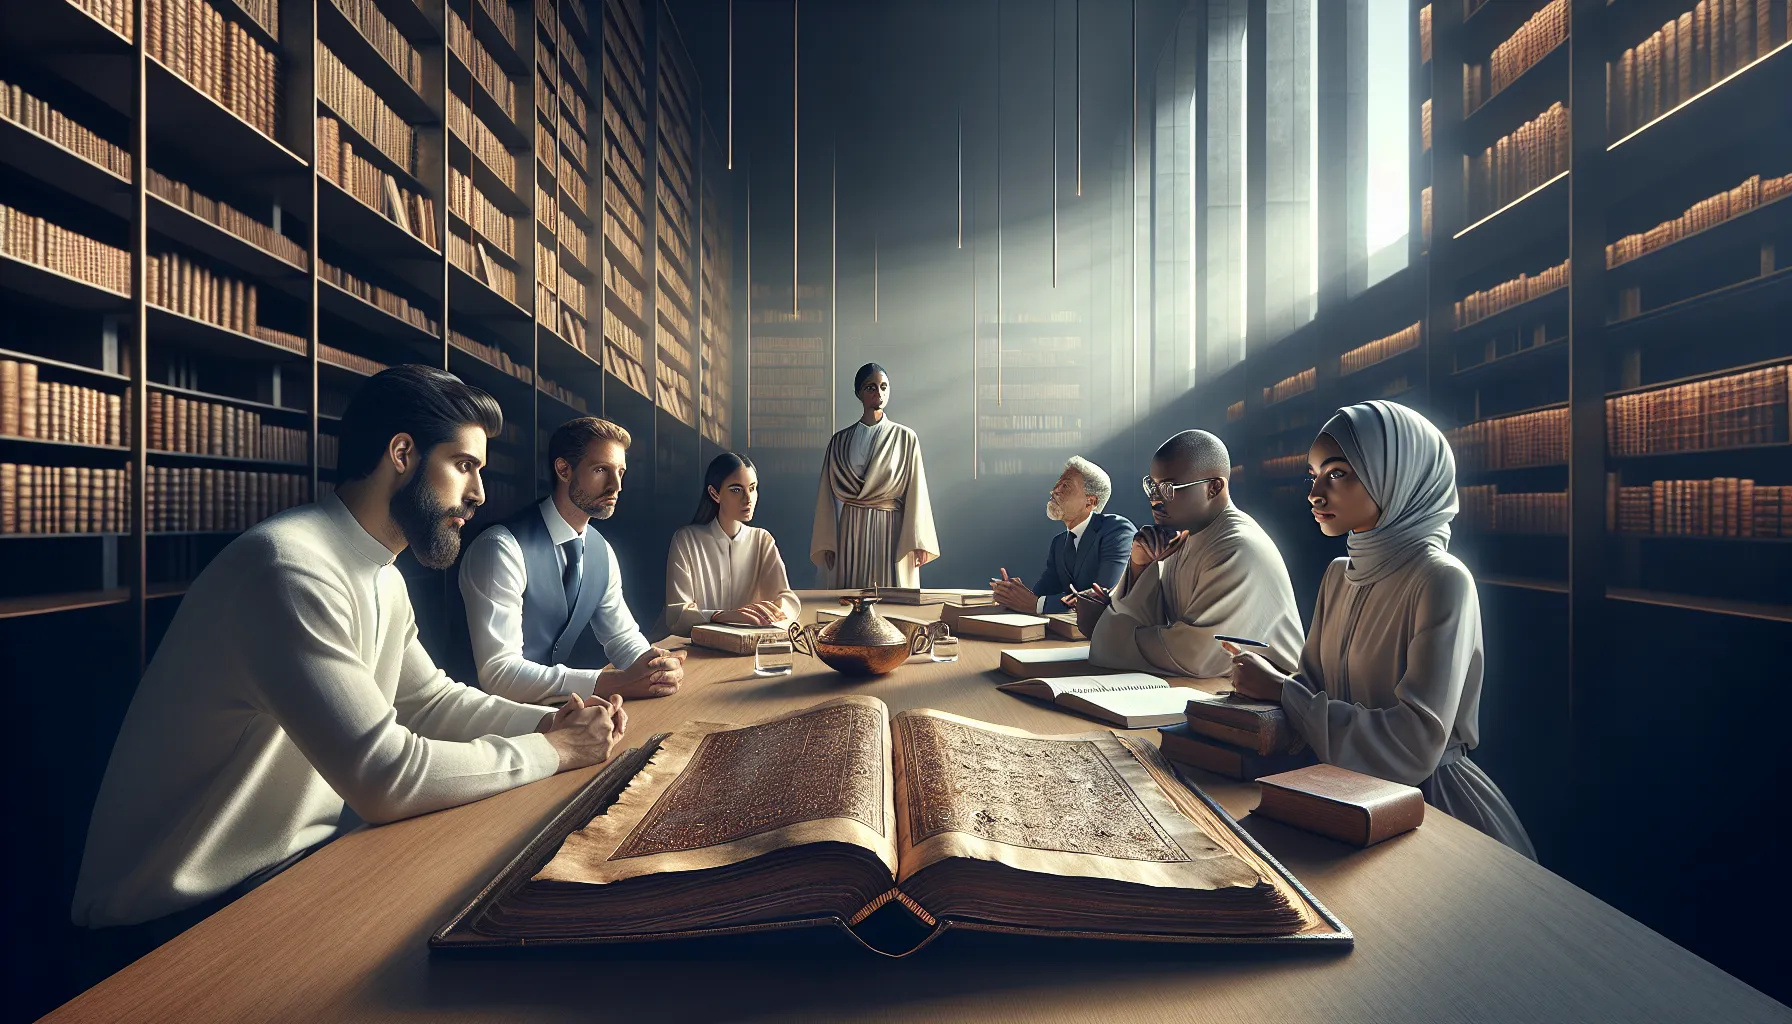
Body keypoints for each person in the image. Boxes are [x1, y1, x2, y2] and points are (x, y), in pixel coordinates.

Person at [72, 365, 628, 937]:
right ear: (403, 453)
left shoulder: (380, 572)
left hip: (287, 874)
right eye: (464, 466)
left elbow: (428, 702)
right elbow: (386, 776)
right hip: (170, 918)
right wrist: (555, 751)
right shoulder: (289, 566)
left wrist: (552, 721)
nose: (480, 494)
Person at [1224, 400, 1537, 859]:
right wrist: (1271, 687)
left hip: (1430, 806)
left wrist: (1282, 692)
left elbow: (1412, 746)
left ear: (1397, 474)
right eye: (1313, 476)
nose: (1315, 493)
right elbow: (1311, 689)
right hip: (1334, 788)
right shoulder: (1338, 574)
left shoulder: (1442, 579)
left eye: (1337, 474)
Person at [459, 417, 686, 703]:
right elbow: (499, 673)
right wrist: (607, 682)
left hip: (556, 712)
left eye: (620, 471)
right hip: (481, 722)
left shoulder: (602, 551)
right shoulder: (500, 548)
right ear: (564, 470)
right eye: (601, 469)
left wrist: (655, 667)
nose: (616, 485)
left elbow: (622, 637)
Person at [1080, 429, 1305, 679]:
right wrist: (1139, 564)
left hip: (1268, 703)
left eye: (1168, 488)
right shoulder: (1183, 537)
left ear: (1213, 488)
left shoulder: (1238, 548)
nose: (1155, 500)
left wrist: (1107, 631)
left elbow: (1196, 655)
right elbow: (1150, 623)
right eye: (1152, 487)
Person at [810, 362, 940, 588]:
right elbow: (826, 496)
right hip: (851, 528)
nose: (878, 393)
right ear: (858, 392)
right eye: (871, 387)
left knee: (890, 599)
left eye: (883, 386)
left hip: (891, 528)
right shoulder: (839, 441)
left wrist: (918, 540)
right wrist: (828, 542)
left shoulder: (905, 438)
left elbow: (916, 490)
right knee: (852, 600)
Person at [662, 453, 801, 635]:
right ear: (715, 493)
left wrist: (773, 611)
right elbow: (677, 615)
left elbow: (787, 598)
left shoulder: (762, 539)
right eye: (736, 490)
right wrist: (726, 616)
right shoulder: (686, 540)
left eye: (752, 488)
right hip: (698, 647)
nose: (748, 498)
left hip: (749, 645)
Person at [990, 456, 1137, 614]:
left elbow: (1103, 596)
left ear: (1090, 502)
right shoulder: (1059, 543)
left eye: (1066, 486)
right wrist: (1013, 593)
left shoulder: (1117, 531)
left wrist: (1036, 604)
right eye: (1058, 483)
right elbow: (1042, 594)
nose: (1054, 491)